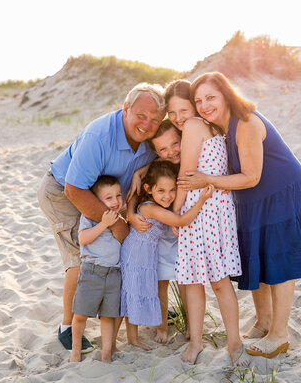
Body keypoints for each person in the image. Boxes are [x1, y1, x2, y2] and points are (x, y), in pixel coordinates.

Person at [178, 72, 301, 358]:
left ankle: (279, 334)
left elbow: (251, 176)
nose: (205, 105)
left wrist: (206, 179)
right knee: (259, 257)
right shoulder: (219, 126)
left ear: (226, 95)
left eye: (211, 97)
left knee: (278, 259)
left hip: (279, 192)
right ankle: (264, 321)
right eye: (199, 100)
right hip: (253, 198)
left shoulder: (245, 122)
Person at [37, 83, 165, 352]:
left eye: (155, 119)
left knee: (122, 252)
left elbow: (164, 157)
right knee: (81, 259)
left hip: (107, 196)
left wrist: (143, 172)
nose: (147, 124)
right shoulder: (100, 134)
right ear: (125, 108)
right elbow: (74, 189)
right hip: (63, 191)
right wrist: (117, 223)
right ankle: (67, 326)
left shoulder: (150, 140)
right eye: (141, 115)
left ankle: (136, 306)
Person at [164, 79, 248, 367]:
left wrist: (176, 211)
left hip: (203, 210)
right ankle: (214, 341)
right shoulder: (212, 126)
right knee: (202, 280)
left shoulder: (193, 126)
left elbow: (187, 172)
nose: (178, 118)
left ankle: (228, 342)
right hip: (216, 208)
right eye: (172, 113)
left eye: (183, 109)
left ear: (194, 104)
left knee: (207, 281)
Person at [121, 160, 214, 350]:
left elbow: (172, 210)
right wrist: (201, 201)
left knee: (180, 283)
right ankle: (155, 329)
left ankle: (189, 324)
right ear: (148, 189)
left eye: (172, 190)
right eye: (161, 191)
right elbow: (181, 220)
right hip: (143, 253)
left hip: (160, 248)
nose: (168, 196)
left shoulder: (160, 202)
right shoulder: (149, 207)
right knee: (148, 289)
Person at [70, 176, 123, 363]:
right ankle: (75, 351)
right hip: (92, 271)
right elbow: (83, 238)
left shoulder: (120, 218)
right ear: (96, 201)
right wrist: (104, 224)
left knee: (108, 316)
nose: (115, 201)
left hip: (114, 274)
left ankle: (106, 354)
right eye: (108, 198)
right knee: (80, 315)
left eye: (118, 195)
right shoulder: (90, 217)